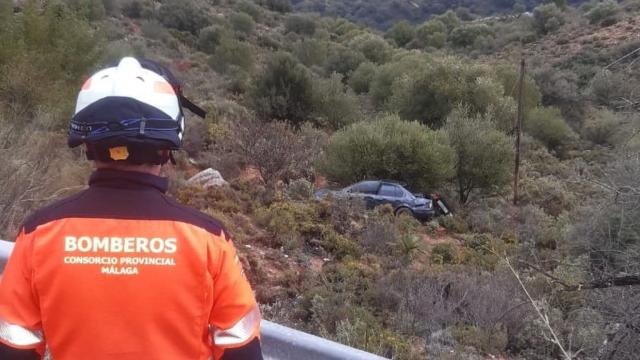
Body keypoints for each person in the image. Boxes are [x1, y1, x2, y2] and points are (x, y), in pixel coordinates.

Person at [0, 57, 263, 360]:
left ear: (87, 145)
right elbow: (242, 352)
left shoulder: (38, 233)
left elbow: (13, 350)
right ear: (167, 148)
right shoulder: (208, 239)